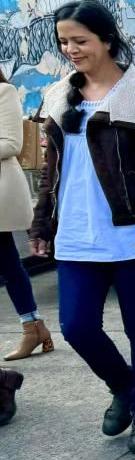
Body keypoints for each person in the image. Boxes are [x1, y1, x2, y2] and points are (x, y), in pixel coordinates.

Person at [32, 0, 135, 454]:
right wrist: (43, 223)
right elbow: (50, 170)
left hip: (132, 232)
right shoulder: (58, 94)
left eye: (80, 41)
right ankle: (124, 385)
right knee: (76, 326)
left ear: (107, 40)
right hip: (76, 231)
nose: (71, 49)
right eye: (64, 42)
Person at [0, 70, 52, 360]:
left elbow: (11, 144)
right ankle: (34, 327)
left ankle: (32, 327)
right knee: (7, 262)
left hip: (1, 188)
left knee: (7, 262)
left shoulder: (3, 93)